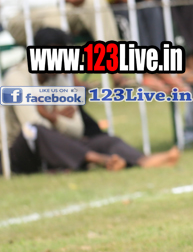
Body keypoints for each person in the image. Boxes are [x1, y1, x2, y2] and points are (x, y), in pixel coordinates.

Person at [2, 28, 180, 174]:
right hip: (18, 154)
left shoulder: (59, 79)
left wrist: (53, 118)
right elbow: (31, 126)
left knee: (104, 140)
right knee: (37, 130)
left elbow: (77, 128)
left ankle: (144, 160)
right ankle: (101, 160)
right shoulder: (16, 78)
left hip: (58, 144)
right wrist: (56, 119)